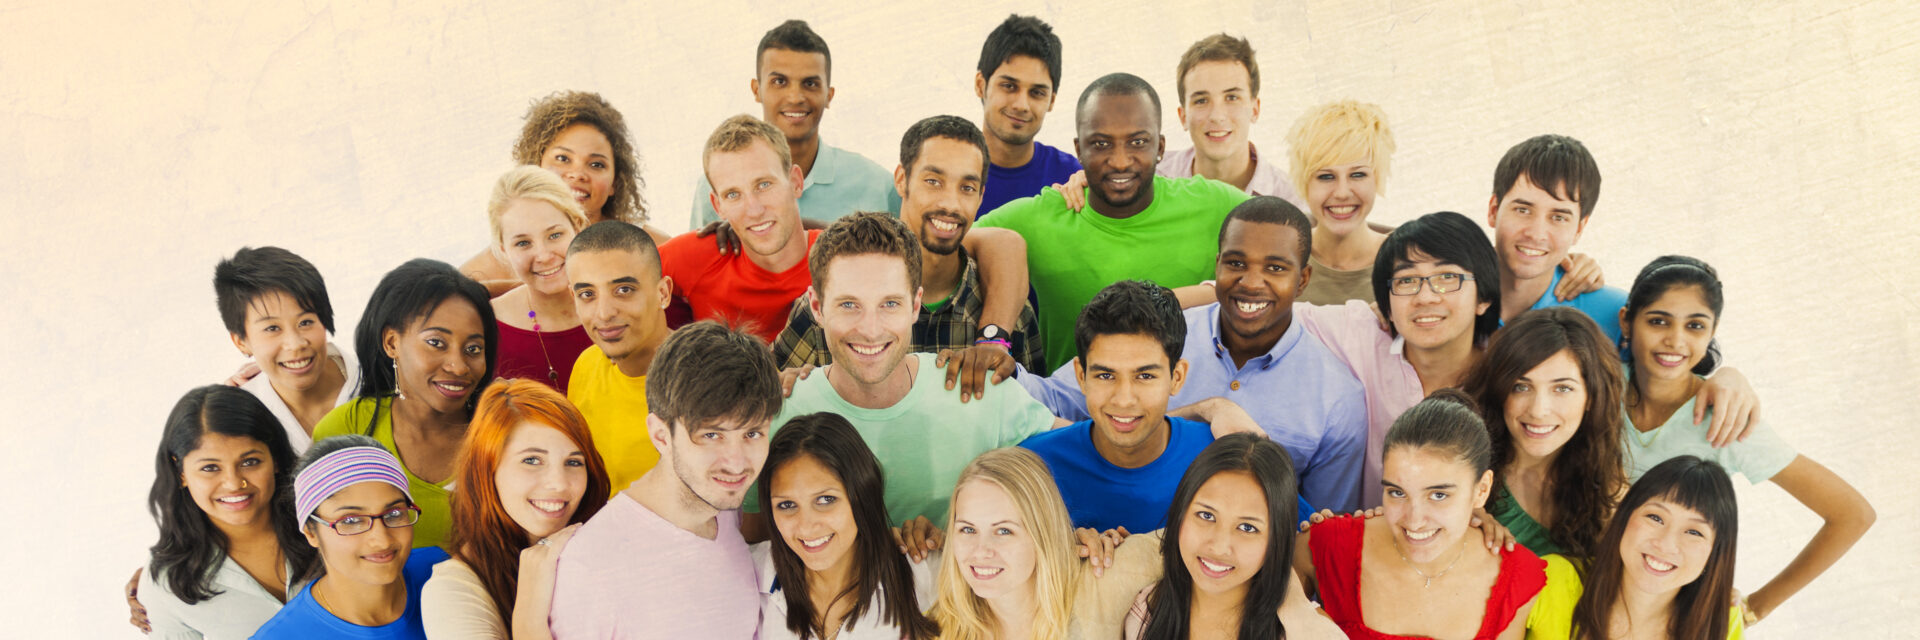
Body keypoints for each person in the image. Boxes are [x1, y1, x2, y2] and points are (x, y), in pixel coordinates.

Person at [1020, 197, 1369, 512]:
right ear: (1217, 265)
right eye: (1236, 263)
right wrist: (995, 366)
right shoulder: (1162, 334)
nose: (1251, 282)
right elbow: (1052, 399)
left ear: (1303, 278)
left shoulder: (1338, 399)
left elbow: (1319, 529)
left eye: (1275, 268)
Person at [757, 211, 1066, 529]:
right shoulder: (778, 414)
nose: (871, 329)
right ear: (817, 307)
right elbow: (747, 536)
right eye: (849, 304)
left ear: (915, 305)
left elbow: (1091, 454)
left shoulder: (979, 392)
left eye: (889, 303)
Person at [1617, 256, 1873, 623]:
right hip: (1583, 589)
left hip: (1668, 615)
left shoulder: (1726, 417)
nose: (1675, 340)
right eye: (1658, 321)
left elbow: (1851, 514)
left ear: (1712, 331)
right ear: (1627, 321)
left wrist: (1756, 608)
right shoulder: (1594, 386)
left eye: (1695, 326)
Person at [977, 72, 1252, 368]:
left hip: (1193, 410)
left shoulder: (1215, 204)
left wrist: (1212, 291)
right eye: (1101, 144)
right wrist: (993, 337)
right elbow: (943, 247)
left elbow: (1292, 244)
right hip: (1072, 411)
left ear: (1160, 147)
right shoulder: (1041, 217)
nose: (1120, 161)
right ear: (1078, 150)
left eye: (1137, 142)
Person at [545, 321, 780, 638]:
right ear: (660, 435)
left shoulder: (726, 514)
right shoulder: (592, 565)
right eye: (711, 435)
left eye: (752, 433)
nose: (736, 462)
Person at [773, 115, 1044, 373]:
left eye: (967, 188)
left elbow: (1037, 410)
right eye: (933, 181)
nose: (950, 203)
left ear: (982, 196)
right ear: (902, 180)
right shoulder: (833, 302)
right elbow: (769, 404)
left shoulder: (1008, 315)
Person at [1017, 279, 1279, 533]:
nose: (1124, 399)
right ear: (1081, 376)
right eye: (1105, 375)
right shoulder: (1031, 467)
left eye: (1145, 376)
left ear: (1177, 378)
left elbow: (1304, 537)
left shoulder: (1226, 459)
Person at [1295, 392, 1547, 640]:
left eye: (1438, 495)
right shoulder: (1324, 546)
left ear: (1481, 490)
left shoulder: (1516, 576)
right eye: (1397, 492)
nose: (1414, 520)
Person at [1294, 210, 1503, 508]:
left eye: (1447, 278)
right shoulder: (1363, 333)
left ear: (1483, 298)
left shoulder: (1509, 369)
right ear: (1387, 306)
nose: (1426, 297)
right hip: (1363, 538)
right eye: (1406, 281)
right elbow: (1264, 310)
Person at [312, 259, 498, 549]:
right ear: (391, 343)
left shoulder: (502, 431)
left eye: (473, 349)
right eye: (436, 342)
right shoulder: (346, 430)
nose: (459, 366)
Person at [420, 379, 612, 639]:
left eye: (574, 462)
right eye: (532, 460)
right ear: (487, 469)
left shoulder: (611, 547)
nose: (559, 483)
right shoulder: (453, 590)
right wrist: (531, 603)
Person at [927, 447, 1165, 640]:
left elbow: (1193, 545)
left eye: (1004, 531)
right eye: (967, 529)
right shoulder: (936, 626)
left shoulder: (1104, 576)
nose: (981, 551)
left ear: (1043, 531)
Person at [138, 386, 318, 639]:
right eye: (210, 468)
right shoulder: (165, 584)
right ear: (180, 474)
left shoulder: (327, 524)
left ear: (275, 459)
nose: (234, 483)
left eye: (249, 462)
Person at [1123, 433, 1339, 640]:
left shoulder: (1307, 631)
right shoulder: (1143, 612)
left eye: (1247, 528)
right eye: (1206, 515)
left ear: (1276, 539)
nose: (1219, 547)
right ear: (1180, 512)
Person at [461, 91, 672, 295]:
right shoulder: (495, 264)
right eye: (563, 158)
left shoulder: (654, 247)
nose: (578, 174)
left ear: (614, 183)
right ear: (536, 165)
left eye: (596, 164)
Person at [754, 412, 941, 640]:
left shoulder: (924, 574)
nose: (806, 526)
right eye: (786, 504)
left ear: (861, 495)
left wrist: (953, 541)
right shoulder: (751, 574)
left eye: (825, 500)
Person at [690, 19, 896, 226]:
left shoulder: (878, 185)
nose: (795, 97)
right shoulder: (716, 186)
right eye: (779, 82)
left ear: (829, 96)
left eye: (810, 83)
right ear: (756, 90)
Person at [1462, 307, 1627, 559]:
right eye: (1521, 386)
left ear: (1592, 396)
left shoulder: (1607, 485)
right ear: (1498, 389)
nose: (1538, 410)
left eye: (1562, 389)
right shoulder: (1460, 466)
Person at [250, 436, 451, 639]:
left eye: (394, 514)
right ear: (311, 532)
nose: (382, 540)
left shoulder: (445, 573)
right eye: (351, 520)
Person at [1526, 455, 1747, 639]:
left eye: (1694, 532)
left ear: (1717, 553)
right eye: (1655, 518)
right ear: (1624, 517)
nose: (1665, 544)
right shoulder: (1551, 579)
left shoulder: (1721, 623)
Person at [562, 220, 673, 493]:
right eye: (587, 294)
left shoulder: (709, 379)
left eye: (623, 290)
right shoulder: (587, 364)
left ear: (663, 293)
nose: (604, 313)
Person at [1484, 135, 1628, 343]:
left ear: (1579, 228)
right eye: (1523, 210)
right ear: (1493, 210)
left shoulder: (1616, 315)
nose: (1536, 233)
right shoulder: (1446, 291)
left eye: (1558, 217)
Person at [215, 246, 357, 452]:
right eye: (272, 328)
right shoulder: (237, 417)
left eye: (306, 322)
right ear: (241, 341)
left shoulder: (381, 383)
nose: (295, 343)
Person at [1158, 34, 1303, 206]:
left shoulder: (1292, 201)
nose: (1217, 116)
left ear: (1255, 109)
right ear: (1183, 116)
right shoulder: (1151, 182)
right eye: (1201, 100)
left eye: (1232, 97)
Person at [485, 166, 594, 393]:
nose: (544, 256)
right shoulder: (486, 329)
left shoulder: (630, 300)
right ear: (504, 250)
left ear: (577, 226)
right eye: (523, 243)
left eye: (554, 235)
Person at [1285, 99, 1395, 306]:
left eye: (1358, 175)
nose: (1342, 193)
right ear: (1304, 182)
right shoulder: (1278, 259)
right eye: (1326, 177)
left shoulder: (1410, 261)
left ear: (1377, 179)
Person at [974, 14, 1080, 217]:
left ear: (1051, 101)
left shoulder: (1071, 179)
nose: (1021, 105)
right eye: (1009, 86)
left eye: (1037, 93)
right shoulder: (948, 173)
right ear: (981, 85)